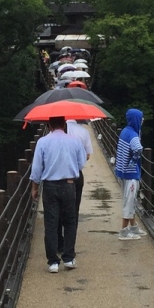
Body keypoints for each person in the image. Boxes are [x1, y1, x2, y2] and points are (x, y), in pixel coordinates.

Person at [31, 116, 86, 271]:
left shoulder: (42, 142)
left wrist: (34, 188)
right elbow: (81, 163)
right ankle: (69, 258)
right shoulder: (75, 141)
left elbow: (36, 168)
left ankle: (53, 262)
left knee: (51, 223)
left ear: (49, 125)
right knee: (70, 221)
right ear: (64, 124)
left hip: (49, 186)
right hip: (69, 184)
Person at [60, 118, 94, 257]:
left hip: (58, 175)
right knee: (73, 210)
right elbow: (87, 156)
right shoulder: (83, 132)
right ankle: (69, 246)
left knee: (57, 209)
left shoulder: (54, 133)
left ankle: (59, 242)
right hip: (75, 175)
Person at [114, 108, 145, 240]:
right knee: (130, 200)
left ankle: (133, 227)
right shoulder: (133, 135)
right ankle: (124, 231)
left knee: (129, 199)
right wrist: (133, 162)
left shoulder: (124, 131)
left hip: (122, 172)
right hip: (131, 174)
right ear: (136, 119)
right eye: (141, 118)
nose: (142, 120)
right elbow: (138, 149)